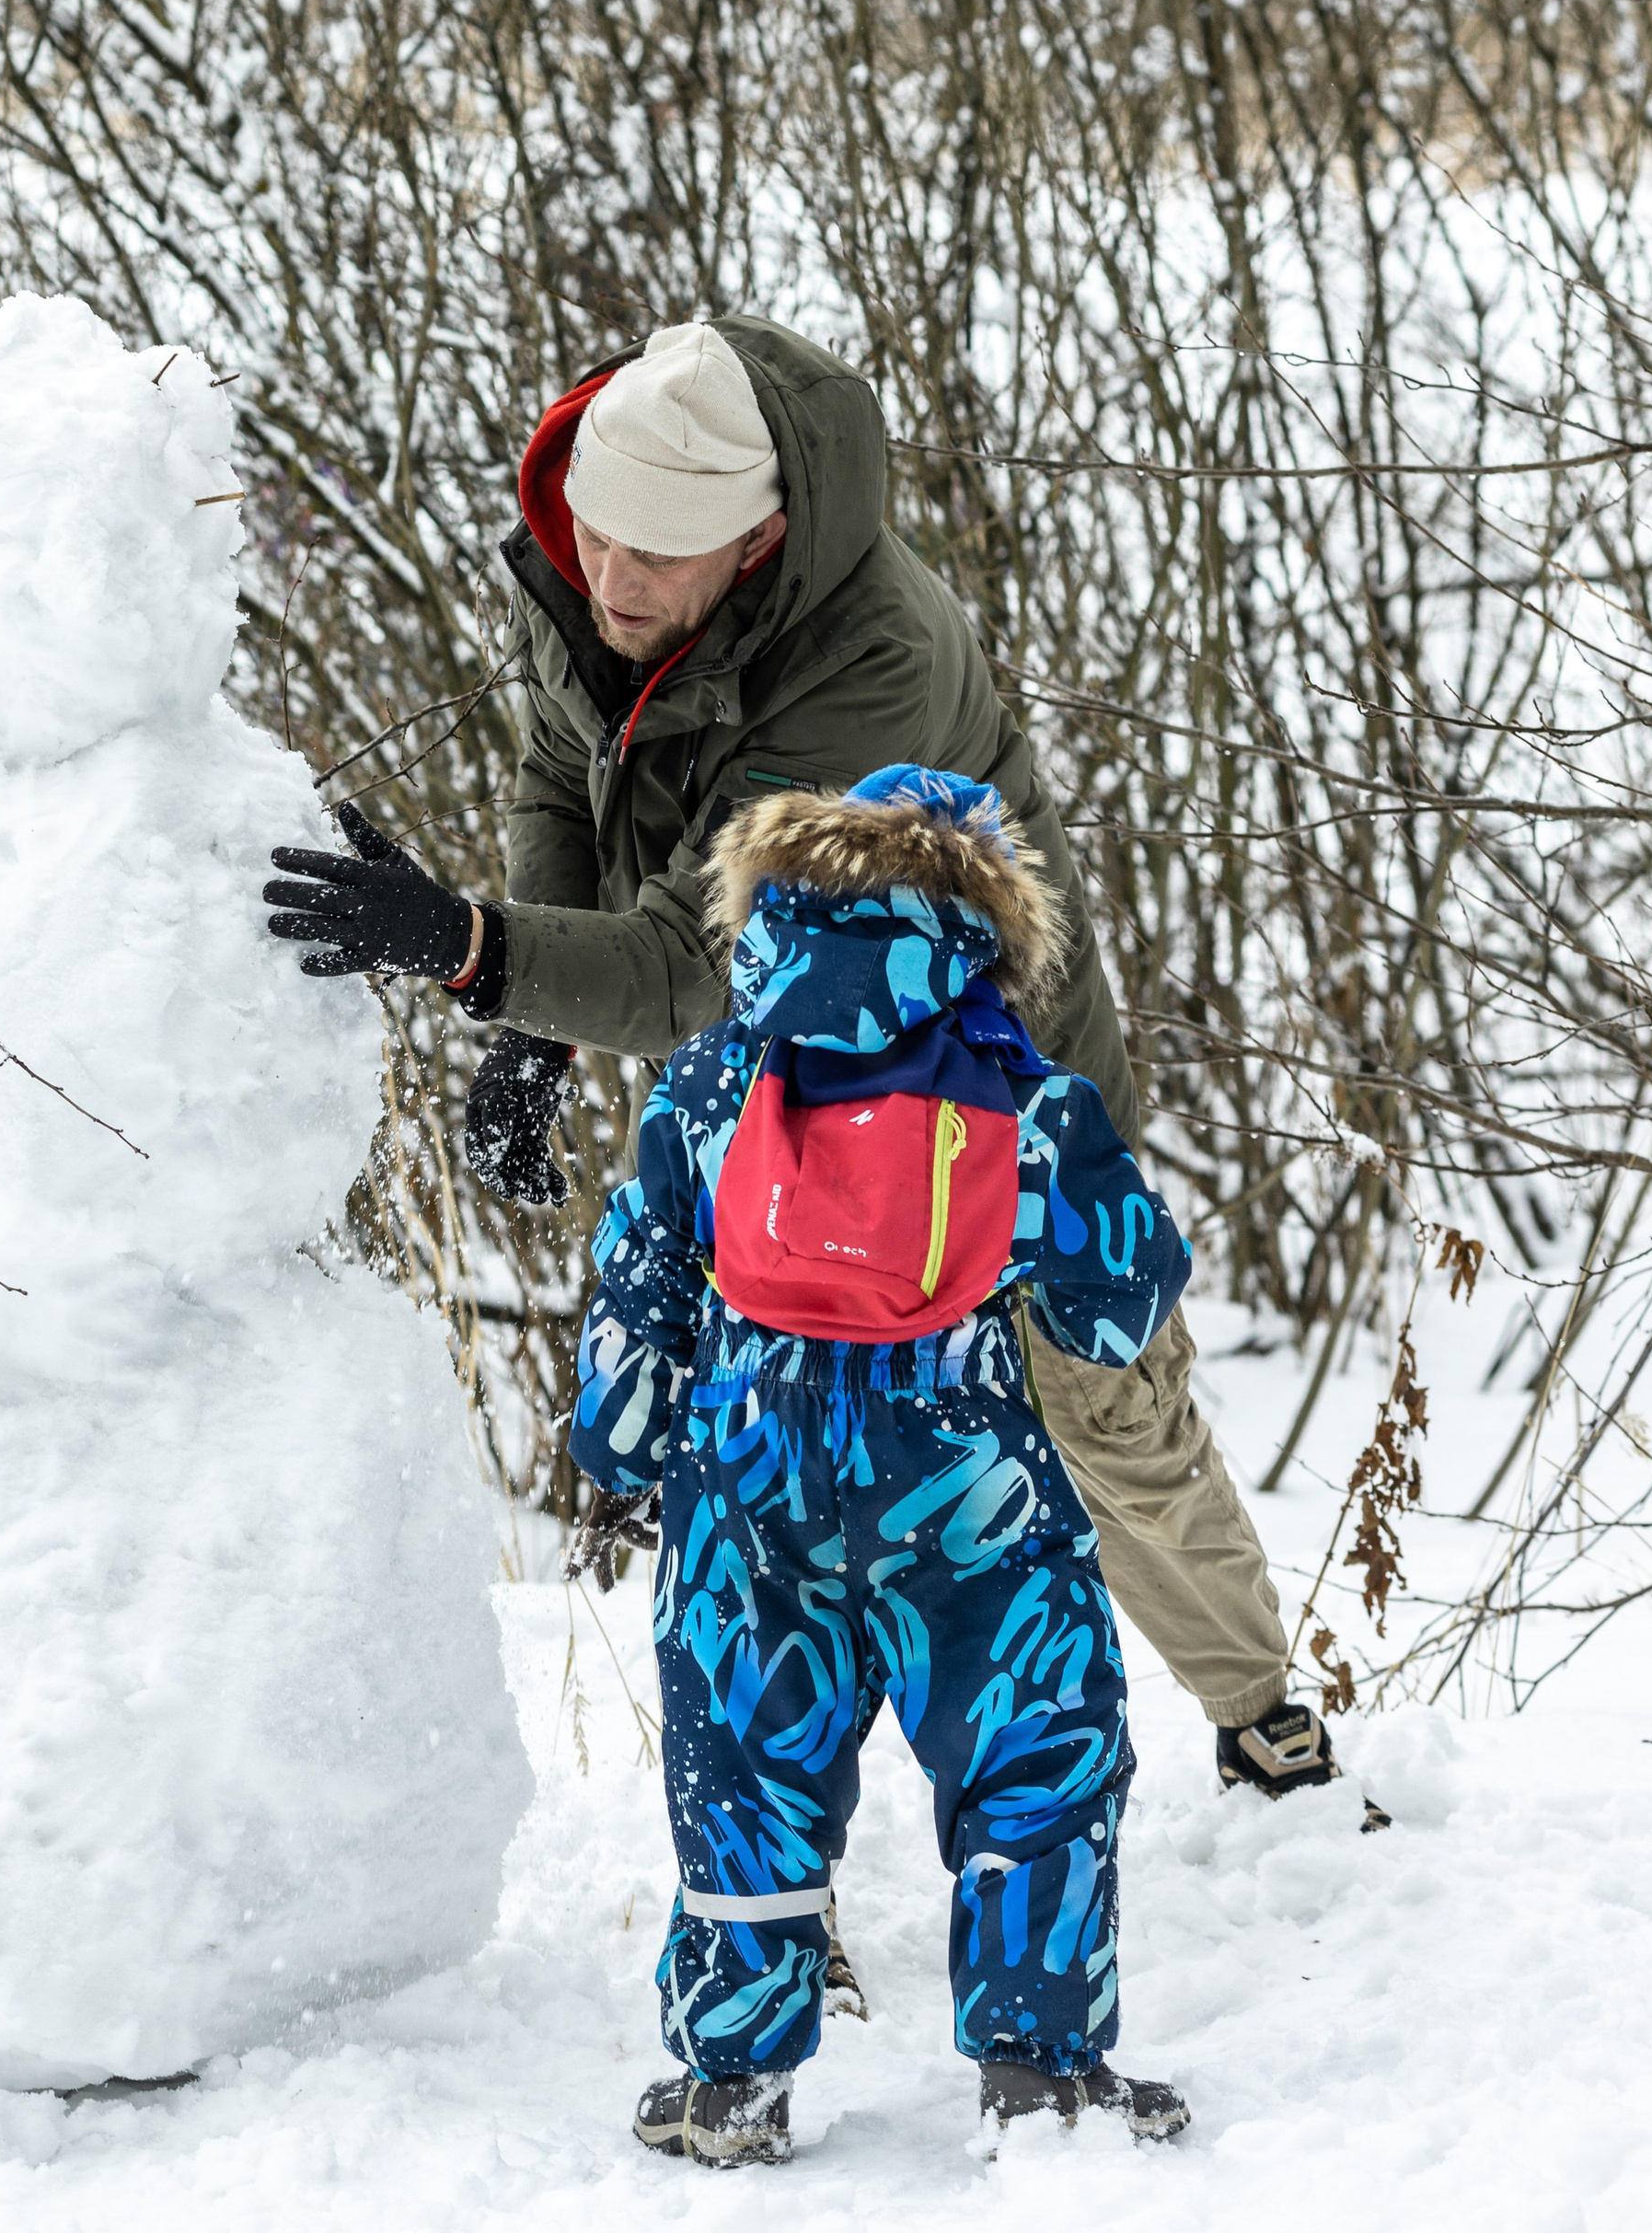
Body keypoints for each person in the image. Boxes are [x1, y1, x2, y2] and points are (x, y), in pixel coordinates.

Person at [264, 315, 1331, 1802]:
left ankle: (1259, 1705)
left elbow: (699, 959)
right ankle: (777, 1889)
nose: (612, 579)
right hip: (761, 1097)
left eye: (657, 556)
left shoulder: (869, 663)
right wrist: (530, 1017)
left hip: (980, 1090)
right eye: (596, 536)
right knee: (758, 1449)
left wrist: (475, 947)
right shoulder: (594, 560)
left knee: (1103, 1412)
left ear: (759, 542)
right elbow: (556, 771)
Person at [565, 766, 1193, 2165]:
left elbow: (642, 1268)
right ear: (984, 916)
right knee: (1039, 1745)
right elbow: (1116, 1305)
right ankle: (1043, 2074)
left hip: (748, 1474)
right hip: (962, 1475)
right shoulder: (1020, 1092)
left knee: (744, 1764)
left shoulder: (716, 1074)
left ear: (781, 896)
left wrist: (620, 1444)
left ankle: (731, 2083)